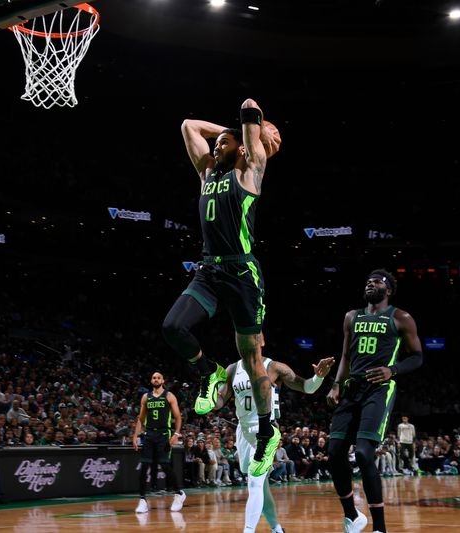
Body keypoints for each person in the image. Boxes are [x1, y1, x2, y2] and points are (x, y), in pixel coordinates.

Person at [161, 99, 282, 477]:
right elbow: (187, 124)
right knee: (172, 327)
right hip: (209, 271)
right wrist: (225, 133)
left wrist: (248, 133)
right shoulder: (207, 173)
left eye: (224, 142)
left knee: (251, 360)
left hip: (242, 274)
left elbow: (249, 107)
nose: (216, 146)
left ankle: (267, 431)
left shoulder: (250, 173)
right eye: (216, 143)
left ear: (244, 148)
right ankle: (209, 372)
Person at [326, 269, 424, 533]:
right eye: (368, 280)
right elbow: (345, 355)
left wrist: (392, 370)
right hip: (351, 388)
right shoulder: (351, 317)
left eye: (377, 281)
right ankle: (352, 515)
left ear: (388, 289)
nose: (371, 283)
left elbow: (417, 357)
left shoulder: (401, 317)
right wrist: (336, 384)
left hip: (379, 390)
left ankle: (380, 528)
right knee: (334, 451)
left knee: (363, 452)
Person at [207, 334, 334, 532]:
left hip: (265, 429)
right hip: (243, 430)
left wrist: (319, 376)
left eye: (255, 336)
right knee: (260, 486)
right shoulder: (233, 369)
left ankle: (248, 530)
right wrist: (208, 395)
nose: (249, 339)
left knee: (255, 483)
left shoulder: (274, 367)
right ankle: (277, 528)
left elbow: (307, 387)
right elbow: (220, 402)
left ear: (263, 341)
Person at [133, 372, 185, 514]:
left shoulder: (169, 396)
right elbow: (141, 419)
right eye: (153, 378)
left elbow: (178, 417)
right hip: (149, 434)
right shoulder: (146, 397)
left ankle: (179, 493)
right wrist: (135, 435)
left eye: (158, 377)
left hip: (164, 434)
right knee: (144, 466)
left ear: (163, 380)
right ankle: (142, 499)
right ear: (151, 381)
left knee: (165, 465)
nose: (156, 379)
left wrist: (176, 434)